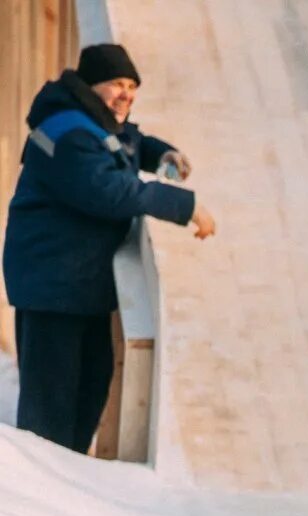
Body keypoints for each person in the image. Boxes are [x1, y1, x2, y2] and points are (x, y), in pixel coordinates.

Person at [3, 43, 215, 453]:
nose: (126, 94)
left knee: (91, 387)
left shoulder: (89, 121)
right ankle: (42, 499)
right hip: (54, 289)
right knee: (50, 414)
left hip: (80, 288)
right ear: (90, 86)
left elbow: (127, 140)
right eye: (116, 84)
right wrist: (185, 206)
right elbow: (108, 192)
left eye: (132, 86)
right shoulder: (64, 133)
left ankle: (68, 487)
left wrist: (162, 154)